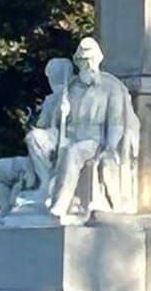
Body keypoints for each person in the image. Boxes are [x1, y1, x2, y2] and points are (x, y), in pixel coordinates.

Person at [45, 37, 140, 218]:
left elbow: (116, 120)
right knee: (37, 141)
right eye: (82, 61)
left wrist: (111, 147)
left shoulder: (111, 86)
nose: (87, 64)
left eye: (90, 60)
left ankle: (60, 204)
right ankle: (39, 195)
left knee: (74, 152)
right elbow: (55, 120)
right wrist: (60, 110)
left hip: (94, 141)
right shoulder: (71, 87)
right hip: (68, 136)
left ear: (97, 59)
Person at [0, 58, 72, 218]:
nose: (51, 80)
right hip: (35, 162)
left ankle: (46, 188)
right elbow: (42, 127)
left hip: (58, 157)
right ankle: (6, 211)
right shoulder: (51, 100)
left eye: (52, 75)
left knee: (35, 136)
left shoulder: (74, 98)